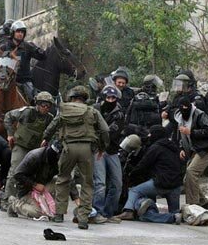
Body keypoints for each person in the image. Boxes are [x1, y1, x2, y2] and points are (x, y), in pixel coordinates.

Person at [43, 85, 109, 230]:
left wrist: (46, 138)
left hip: (68, 148)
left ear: (71, 98)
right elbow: (105, 130)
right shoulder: (92, 111)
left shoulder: (64, 110)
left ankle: (59, 214)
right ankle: (83, 218)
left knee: (63, 179)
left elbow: (52, 126)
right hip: (86, 149)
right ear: (85, 99)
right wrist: (103, 147)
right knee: (87, 182)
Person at [116, 125, 183, 224]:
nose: (149, 136)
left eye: (151, 134)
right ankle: (174, 217)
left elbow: (143, 165)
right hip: (176, 185)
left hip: (161, 182)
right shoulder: (174, 147)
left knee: (134, 191)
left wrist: (130, 174)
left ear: (156, 135)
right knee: (175, 212)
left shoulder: (156, 147)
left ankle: (128, 211)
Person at [2, 91, 55, 209]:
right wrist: (10, 134)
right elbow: (8, 117)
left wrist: (46, 140)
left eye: (48, 106)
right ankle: (6, 201)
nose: (45, 108)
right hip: (21, 145)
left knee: (31, 176)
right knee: (14, 172)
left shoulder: (50, 118)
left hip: (35, 150)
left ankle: (22, 200)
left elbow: (53, 132)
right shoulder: (26, 112)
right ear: (37, 104)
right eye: (43, 105)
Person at [171, 96, 208, 209]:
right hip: (193, 149)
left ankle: (193, 205)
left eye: (187, 108)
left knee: (192, 172)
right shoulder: (179, 118)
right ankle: (203, 202)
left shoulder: (199, 114)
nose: (185, 110)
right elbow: (180, 136)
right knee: (187, 178)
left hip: (206, 148)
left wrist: (191, 132)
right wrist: (181, 148)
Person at [0, 20, 46, 103]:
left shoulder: (27, 46)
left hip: (23, 81)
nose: (20, 34)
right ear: (13, 32)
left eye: (22, 32)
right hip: (5, 79)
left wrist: (39, 51)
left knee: (35, 99)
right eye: (18, 31)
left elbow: (42, 57)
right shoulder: (3, 47)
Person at [92, 85, 124, 222]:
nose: (110, 100)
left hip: (111, 150)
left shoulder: (119, 114)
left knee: (117, 183)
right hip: (97, 150)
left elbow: (112, 132)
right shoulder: (95, 110)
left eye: (113, 98)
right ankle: (96, 212)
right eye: (108, 97)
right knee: (100, 183)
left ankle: (108, 213)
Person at [7, 141, 62, 220]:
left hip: (43, 186)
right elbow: (18, 175)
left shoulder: (59, 160)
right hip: (27, 189)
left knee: (60, 182)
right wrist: (35, 185)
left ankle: (52, 208)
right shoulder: (34, 156)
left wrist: (76, 198)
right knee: (38, 212)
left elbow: (66, 179)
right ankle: (14, 204)